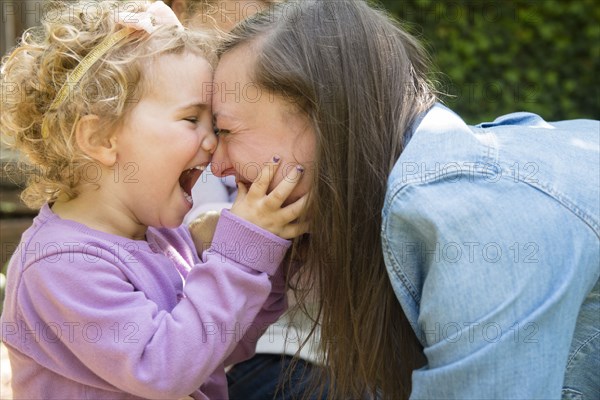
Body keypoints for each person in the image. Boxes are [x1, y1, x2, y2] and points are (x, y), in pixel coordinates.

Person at [208, 1, 600, 399]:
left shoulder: (467, 211)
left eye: (225, 131)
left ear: (322, 115)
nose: (216, 166)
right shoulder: (432, 194)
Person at [0, 1, 308, 398]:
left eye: (212, 123)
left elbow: (214, 347)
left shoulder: (163, 241)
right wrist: (238, 258)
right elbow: (164, 369)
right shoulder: (62, 263)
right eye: (190, 119)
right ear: (100, 139)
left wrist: (267, 256)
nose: (213, 142)